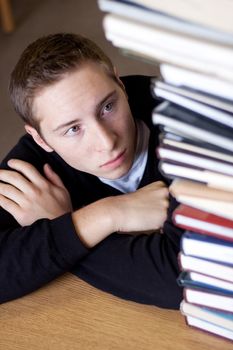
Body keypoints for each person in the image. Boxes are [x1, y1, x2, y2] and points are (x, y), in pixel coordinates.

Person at [0, 33, 183, 308]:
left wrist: (61, 227)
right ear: (40, 139)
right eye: (73, 129)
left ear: (120, 85)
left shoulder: (185, 123)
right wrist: (101, 216)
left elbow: (183, 280)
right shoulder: (32, 169)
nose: (106, 142)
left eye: (108, 107)